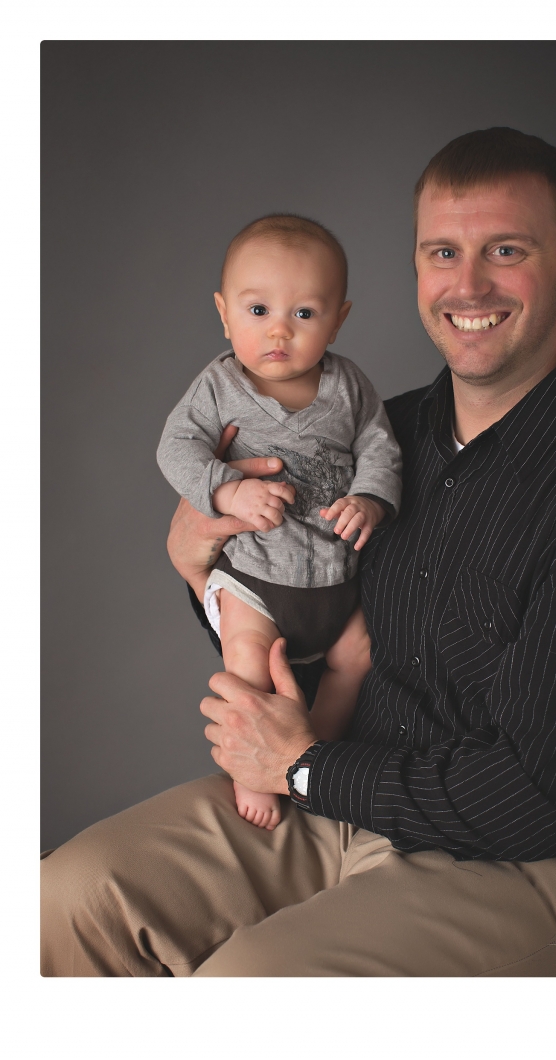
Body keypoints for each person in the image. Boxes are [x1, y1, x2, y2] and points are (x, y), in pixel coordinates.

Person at [41, 127, 556, 977]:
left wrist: (300, 765)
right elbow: (308, 618)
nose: (467, 284)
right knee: (65, 898)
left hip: (534, 867)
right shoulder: (377, 439)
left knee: (250, 989)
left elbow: (532, 803)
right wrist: (199, 571)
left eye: (505, 250)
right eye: (443, 252)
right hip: (337, 798)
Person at [157, 215, 401, 829]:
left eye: (305, 315)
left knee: (356, 655)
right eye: (259, 310)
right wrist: (229, 492)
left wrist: (371, 500)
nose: (280, 333)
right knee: (245, 658)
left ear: (339, 318)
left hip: (335, 578)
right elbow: (176, 448)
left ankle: (307, 757)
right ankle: (253, 772)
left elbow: (379, 447)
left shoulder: (350, 388)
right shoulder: (219, 387)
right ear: (223, 312)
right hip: (258, 581)